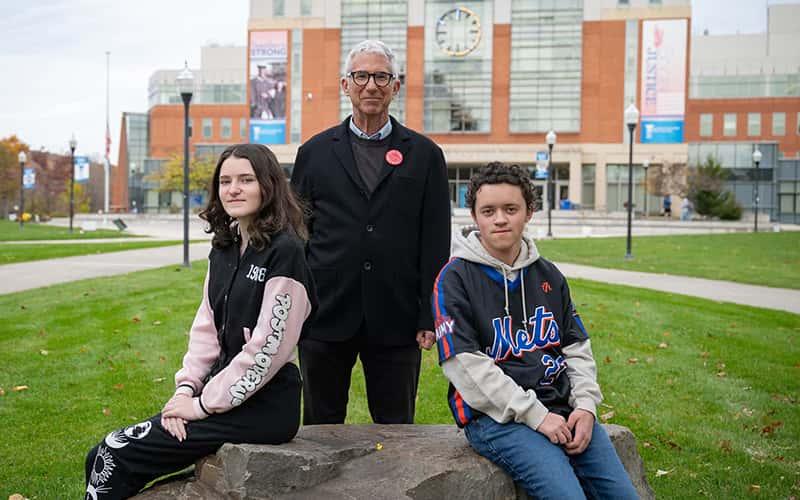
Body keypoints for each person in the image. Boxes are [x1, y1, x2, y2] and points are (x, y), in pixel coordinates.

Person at [84, 144, 316, 499]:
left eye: (246, 180)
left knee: (114, 454)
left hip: (263, 406)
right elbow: (206, 328)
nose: (233, 189)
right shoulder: (224, 246)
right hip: (214, 392)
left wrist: (200, 407)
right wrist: (185, 390)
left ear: (268, 185)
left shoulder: (285, 252)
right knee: (101, 455)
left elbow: (267, 350)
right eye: (225, 181)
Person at [432, 162, 638, 499]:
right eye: (488, 211)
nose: (500, 219)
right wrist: (536, 416)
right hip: (496, 419)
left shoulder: (548, 275)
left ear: (529, 212)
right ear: (474, 216)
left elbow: (576, 347)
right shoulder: (454, 279)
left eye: (510, 209)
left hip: (562, 408)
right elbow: (464, 366)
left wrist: (586, 406)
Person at [290, 39, 450, 425]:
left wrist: (428, 315)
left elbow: (435, 242)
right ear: (345, 84)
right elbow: (296, 236)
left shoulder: (426, 156)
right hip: (324, 314)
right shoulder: (314, 153)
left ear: (396, 86)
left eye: (381, 77)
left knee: (396, 429)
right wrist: (296, 309)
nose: (371, 85)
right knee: (320, 429)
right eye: (361, 76)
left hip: (397, 316)